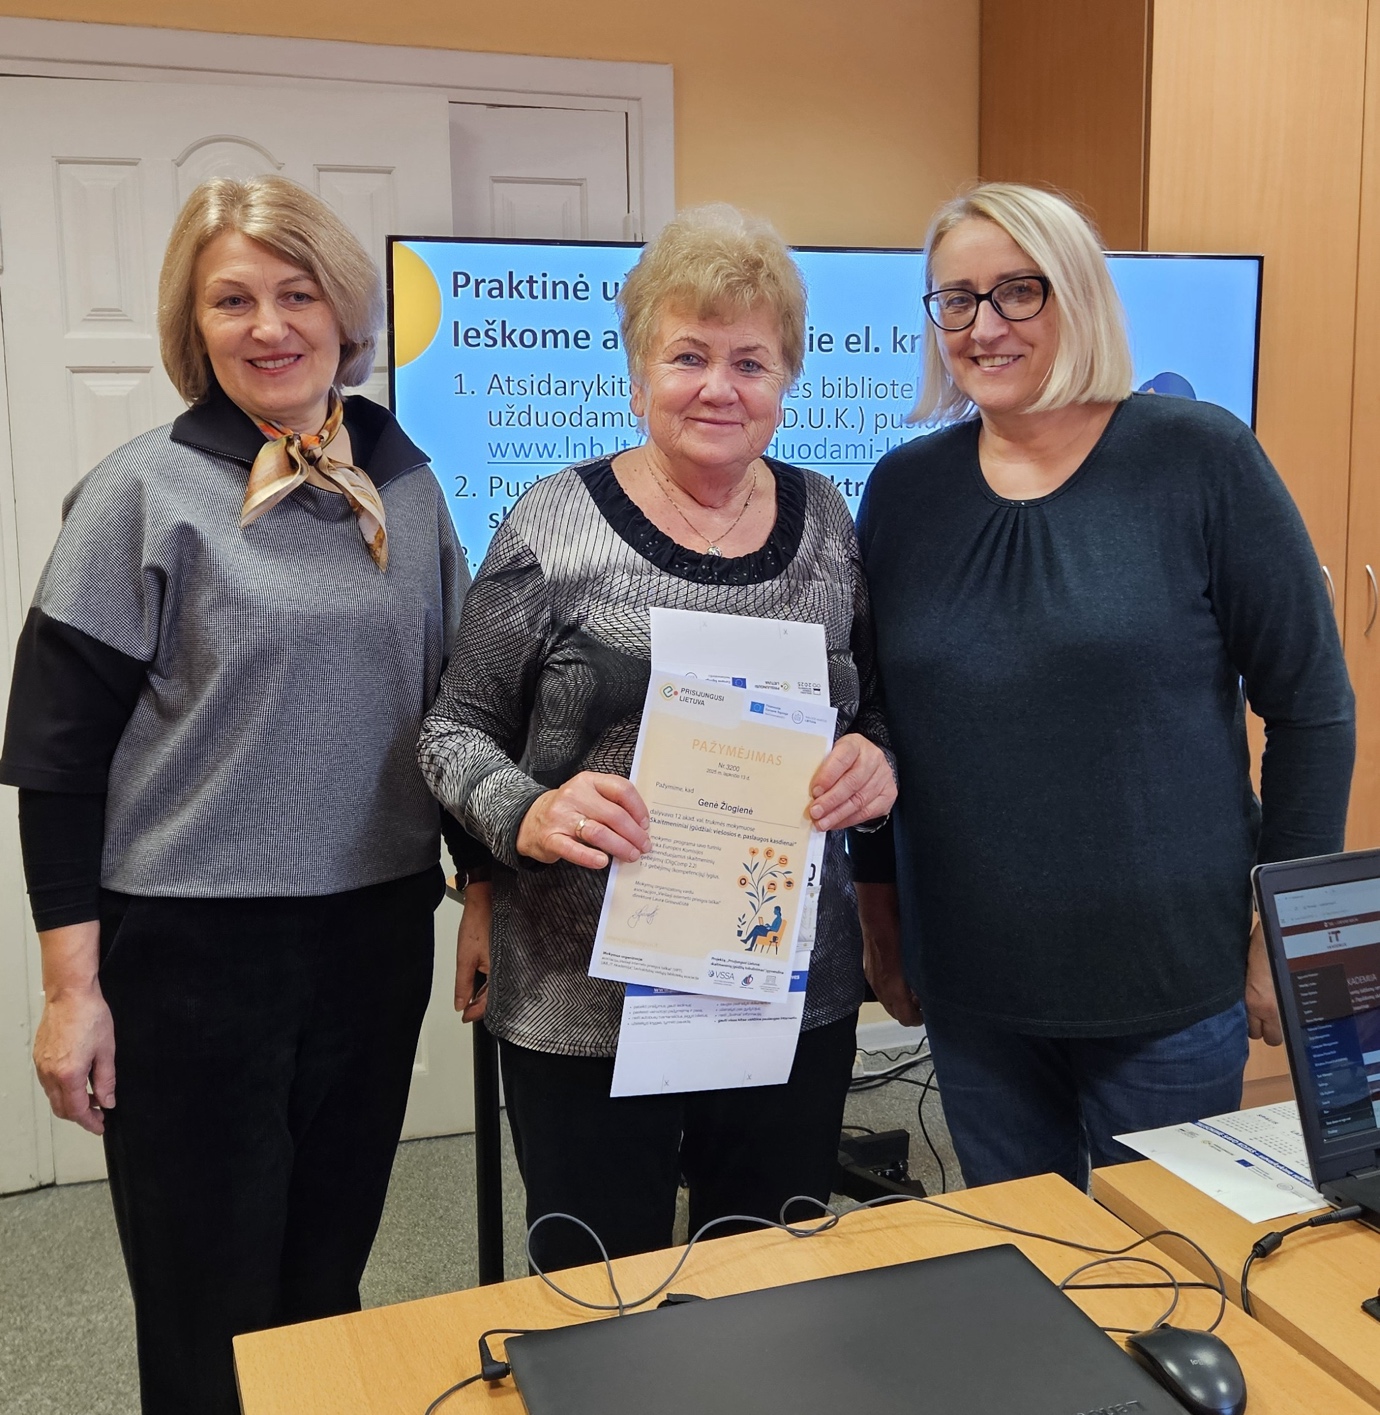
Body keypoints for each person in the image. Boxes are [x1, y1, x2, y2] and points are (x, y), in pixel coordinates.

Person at [0, 175, 483, 1415]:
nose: (269, 325)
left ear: (344, 311)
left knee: (326, 1277)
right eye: (232, 300)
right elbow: (55, 759)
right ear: (193, 324)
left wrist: (481, 892)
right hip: (190, 955)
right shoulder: (139, 493)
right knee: (206, 1305)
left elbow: (453, 714)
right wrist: (70, 992)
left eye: (297, 292)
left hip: (374, 935)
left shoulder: (407, 486)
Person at [418, 204, 895, 1271]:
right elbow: (453, 728)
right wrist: (528, 810)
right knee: (602, 1294)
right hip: (584, 1000)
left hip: (783, 997)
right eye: (688, 355)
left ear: (787, 380)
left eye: (750, 361)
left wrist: (878, 761)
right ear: (638, 375)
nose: (719, 386)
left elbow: (872, 708)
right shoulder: (554, 523)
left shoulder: (829, 522)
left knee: (771, 1279)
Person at [852, 182, 1355, 1190]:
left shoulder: (1199, 458)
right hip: (974, 983)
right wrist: (882, 924)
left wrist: (1285, 932)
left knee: (1167, 1261)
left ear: (1076, 295)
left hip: (1167, 983)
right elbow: (874, 724)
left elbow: (1312, 708)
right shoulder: (905, 491)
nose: (983, 326)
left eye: (1017, 291)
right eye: (956, 298)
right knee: (1027, 1255)